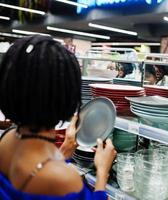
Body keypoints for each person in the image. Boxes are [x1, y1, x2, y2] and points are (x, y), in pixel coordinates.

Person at [0, 35, 116, 199]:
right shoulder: (66, 180)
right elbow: (47, 174)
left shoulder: (7, 138)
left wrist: (64, 152)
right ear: (66, 97)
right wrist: (102, 172)